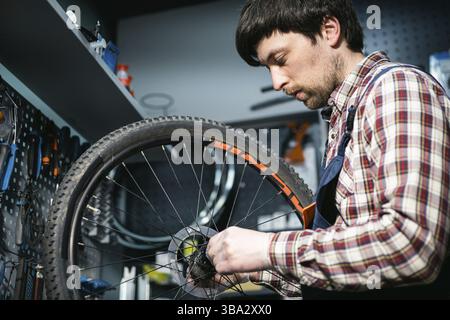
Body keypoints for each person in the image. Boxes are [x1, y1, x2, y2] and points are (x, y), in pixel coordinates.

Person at [206, 0, 450, 299]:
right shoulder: (343, 122)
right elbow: (353, 266)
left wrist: (269, 249)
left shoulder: (395, 88)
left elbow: (411, 247)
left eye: (280, 59)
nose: (276, 81)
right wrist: (252, 268)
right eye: (267, 68)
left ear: (329, 29)